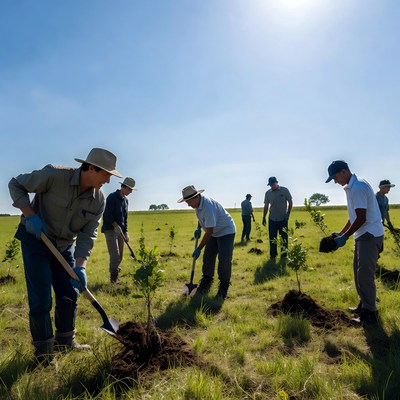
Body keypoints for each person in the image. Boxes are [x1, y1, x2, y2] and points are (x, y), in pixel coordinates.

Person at [8, 148, 122, 365]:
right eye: (106, 175)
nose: (108, 181)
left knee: (69, 292)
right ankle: (44, 354)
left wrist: (81, 266)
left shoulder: (98, 201)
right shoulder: (54, 175)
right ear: (91, 168)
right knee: (41, 298)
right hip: (37, 239)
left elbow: (89, 233)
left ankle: (66, 341)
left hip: (65, 245)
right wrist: (30, 215)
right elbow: (15, 183)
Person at [325, 160, 384, 325]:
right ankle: (364, 304)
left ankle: (370, 314)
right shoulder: (351, 187)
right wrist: (341, 233)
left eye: (335, 177)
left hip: (369, 235)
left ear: (343, 172)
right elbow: (354, 216)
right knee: (358, 273)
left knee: (365, 275)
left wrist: (345, 237)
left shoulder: (358, 187)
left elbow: (362, 217)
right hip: (362, 234)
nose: (335, 181)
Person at [178, 185, 236, 299]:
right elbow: (201, 217)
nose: (188, 204)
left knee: (224, 259)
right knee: (208, 257)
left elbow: (209, 231)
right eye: (186, 202)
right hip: (214, 231)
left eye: (189, 202)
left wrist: (199, 248)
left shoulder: (208, 207)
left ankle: (223, 286)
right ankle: (206, 281)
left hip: (226, 231)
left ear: (197, 197)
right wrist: (199, 228)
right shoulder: (198, 204)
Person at [101, 177, 136, 283]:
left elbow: (125, 218)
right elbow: (107, 214)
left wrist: (126, 231)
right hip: (110, 229)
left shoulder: (126, 201)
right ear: (124, 187)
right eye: (130, 189)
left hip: (121, 230)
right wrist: (115, 225)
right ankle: (114, 279)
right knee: (115, 254)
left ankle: (115, 270)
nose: (131, 192)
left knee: (120, 255)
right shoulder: (112, 197)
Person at [262, 177, 293, 259]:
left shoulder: (284, 190)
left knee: (284, 238)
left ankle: (284, 255)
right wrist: (264, 217)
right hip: (272, 219)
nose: (272, 186)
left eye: (273, 184)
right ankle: (273, 255)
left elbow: (290, 202)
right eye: (270, 185)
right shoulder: (267, 193)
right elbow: (266, 206)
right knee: (272, 238)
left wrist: (288, 214)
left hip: (283, 219)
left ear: (277, 182)